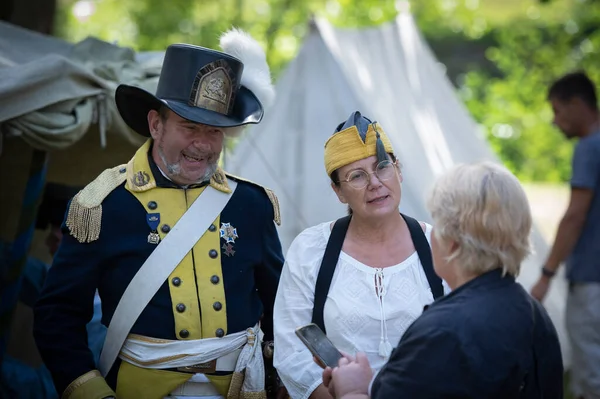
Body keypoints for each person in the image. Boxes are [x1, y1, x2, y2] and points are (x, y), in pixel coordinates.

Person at [33, 29, 284, 399]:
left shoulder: (251, 204)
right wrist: (91, 392)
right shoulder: (103, 205)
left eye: (215, 131)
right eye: (189, 126)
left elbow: (280, 307)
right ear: (155, 124)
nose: (203, 143)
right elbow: (57, 316)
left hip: (241, 388)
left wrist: (278, 374)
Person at [322, 161, 564, 399]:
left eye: (438, 224)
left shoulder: (441, 334)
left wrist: (351, 391)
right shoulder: (534, 313)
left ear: (452, 243)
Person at [273, 111, 449, 399]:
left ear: (399, 171)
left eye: (382, 166)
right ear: (338, 191)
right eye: (356, 176)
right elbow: (292, 350)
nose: (375, 183)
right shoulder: (310, 249)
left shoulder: (440, 244)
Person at [530, 71, 600, 399]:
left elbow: (574, 216)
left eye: (558, 111)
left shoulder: (589, 148)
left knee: (591, 377)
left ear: (576, 104)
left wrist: (546, 275)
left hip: (591, 282)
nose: (555, 122)